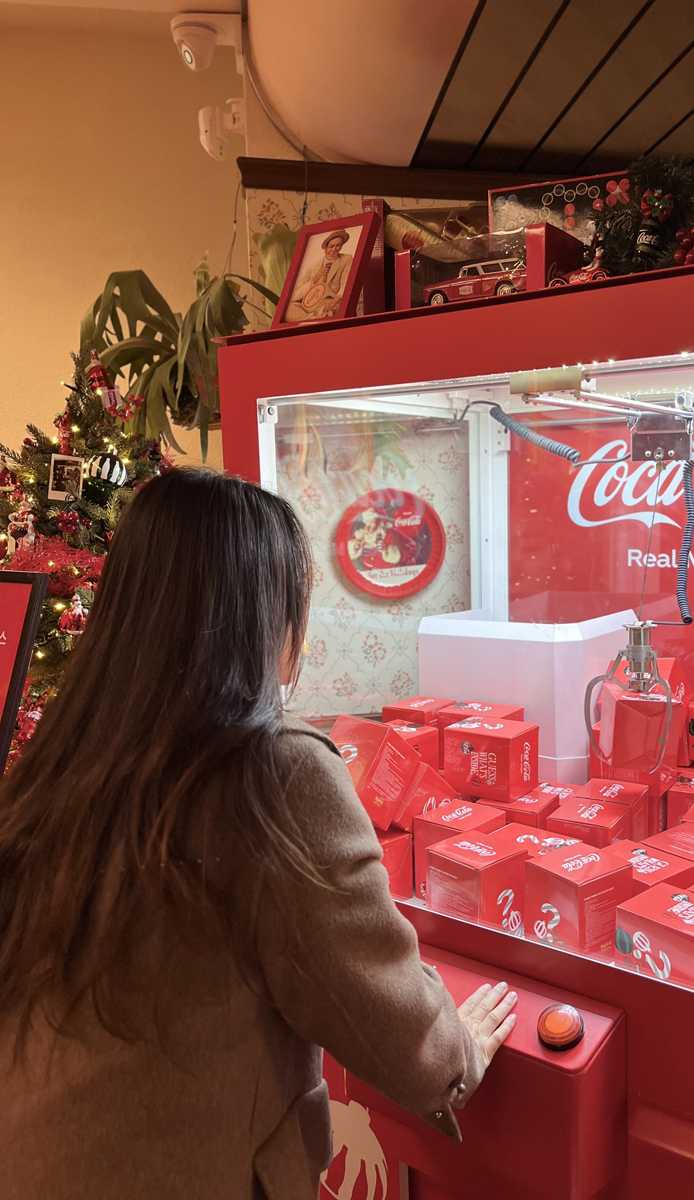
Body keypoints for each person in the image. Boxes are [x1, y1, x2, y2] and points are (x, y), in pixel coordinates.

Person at [0, 469, 517, 1200]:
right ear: (266, 621)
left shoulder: (68, 757)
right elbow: (406, 1044)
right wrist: (458, 1046)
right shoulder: (275, 774)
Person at [285, 229, 354, 322]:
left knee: (335, 309)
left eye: (338, 245)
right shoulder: (312, 267)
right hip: (310, 306)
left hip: (331, 302)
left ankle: (317, 317)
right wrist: (313, 280)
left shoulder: (347, 260)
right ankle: (315, 318)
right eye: (331, 246)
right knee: (288, 310)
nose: (334, 249)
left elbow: (346, 283)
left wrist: (335, 300)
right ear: (325, 248)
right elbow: (294, 295)